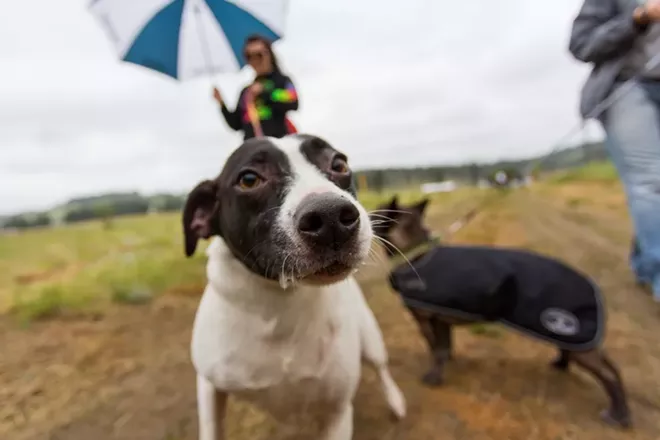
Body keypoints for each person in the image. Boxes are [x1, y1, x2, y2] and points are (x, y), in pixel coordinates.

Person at [569, 0, 660, 301]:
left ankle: (647, 262)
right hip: (629, 86)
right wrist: (639, 18)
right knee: (650, 182)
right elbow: (581, 45)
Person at [212, 34, 299, 140]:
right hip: (253, 148)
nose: (255, 60)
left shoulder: (282, 81)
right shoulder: (246, 91)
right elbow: (236, 124)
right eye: (249, 56)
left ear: (269, 54)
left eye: (258, 55)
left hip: (278, 145)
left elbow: (293, 103)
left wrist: (264, 93)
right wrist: (221, 103)